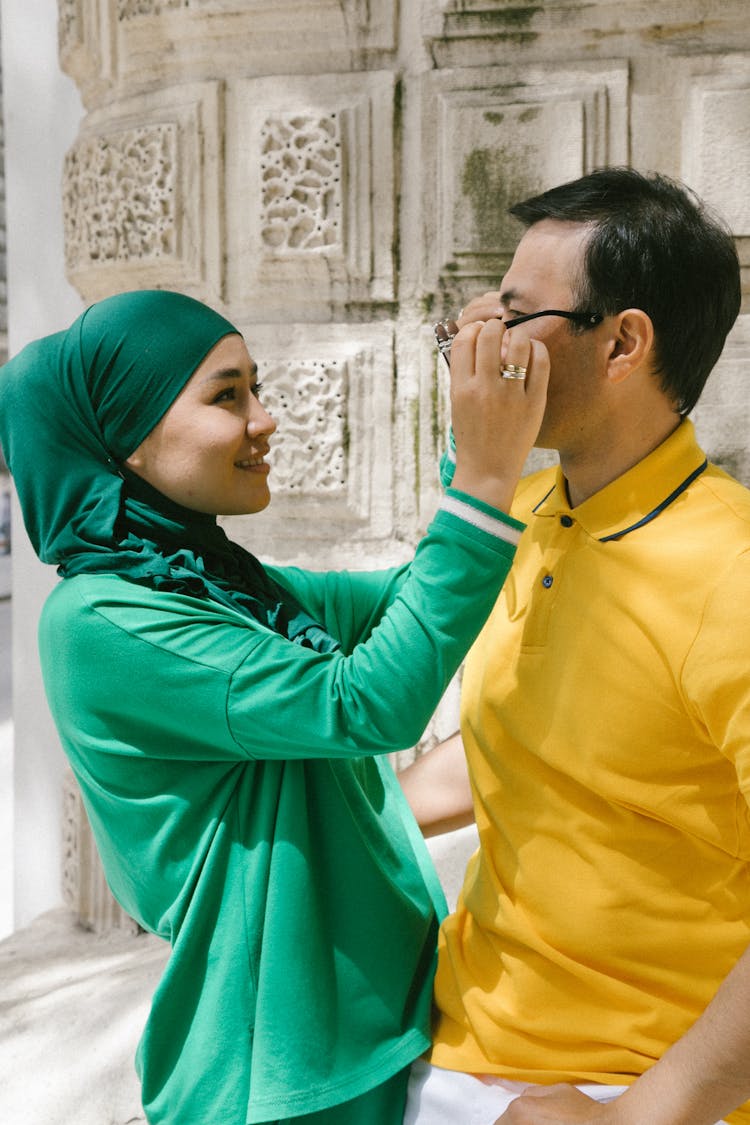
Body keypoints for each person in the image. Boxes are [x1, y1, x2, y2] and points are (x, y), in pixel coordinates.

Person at [0, 288, 548, 1125]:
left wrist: (471, 440)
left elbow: (422, 592)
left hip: (360, 1029)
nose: (265, 419)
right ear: (129, 442)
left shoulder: (221, 584)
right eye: (227, 395)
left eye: (256, 388)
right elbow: (369, 702)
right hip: (272, 1069)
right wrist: (481, 476)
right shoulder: (104, 620)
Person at [399, 167, 750, 1125]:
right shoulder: (523, 511)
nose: (479, 345)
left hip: (628, 1083)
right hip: (451, 1047)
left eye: (513, 317)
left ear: (624, 342)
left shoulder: (732, 570)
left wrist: (635, 1114)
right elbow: (528, 743)